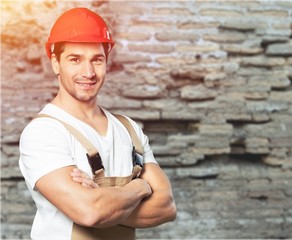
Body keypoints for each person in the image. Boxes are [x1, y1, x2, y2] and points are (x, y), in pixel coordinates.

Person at [19, 7, 176, 239]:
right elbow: (89, 212)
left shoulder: (130, 131)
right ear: (55, 63)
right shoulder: (43, 133)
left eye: (97, 59)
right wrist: (139, 187)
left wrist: (103, 198)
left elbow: (166, 207)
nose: (88, 72)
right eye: (75, 59)